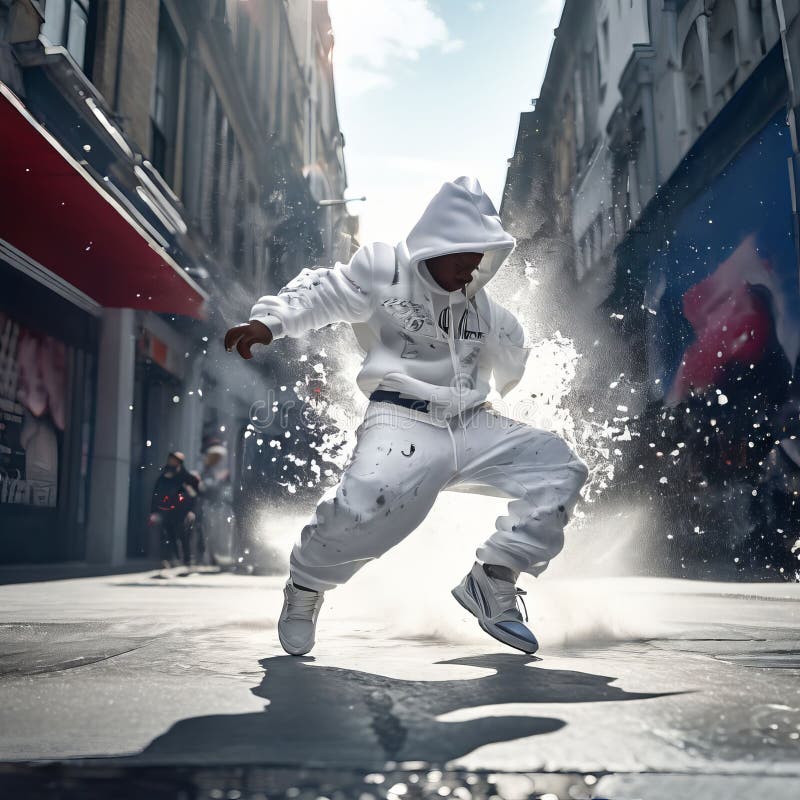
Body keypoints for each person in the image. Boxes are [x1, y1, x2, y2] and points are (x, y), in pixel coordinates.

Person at [225, 177, 589, 656]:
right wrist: (269, 322)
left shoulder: (482, 307)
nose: (472, 272)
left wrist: (515, 365)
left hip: (470, 422)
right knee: (366, 506)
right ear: (440, 245)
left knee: (561, 467)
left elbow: (513, 350)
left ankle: (494, 578)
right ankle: (307, 585)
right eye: (465, 260)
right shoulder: (383, 268)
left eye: (480, 263)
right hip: (401, 419)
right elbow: (324, 291)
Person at [149, 451, 200, 570]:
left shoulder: (186, 477)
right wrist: (154, 511)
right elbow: (156, 494)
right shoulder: (164, 476)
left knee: (184, 536)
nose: (172, 462)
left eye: (174, 460)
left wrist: (192, 511)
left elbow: (195, 495)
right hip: (166, 511)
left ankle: (187, 561)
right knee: (167, 536)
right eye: (171, 459)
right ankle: (169, 559)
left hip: (182, 512)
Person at [196, 443, 234, 568]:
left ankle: (216, 557)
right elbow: (206, 486)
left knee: (218, 532)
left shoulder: (220, 471)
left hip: (219, 505)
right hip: (211, 505)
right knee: (210, 533)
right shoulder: (208, 471)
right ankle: (210, 557)